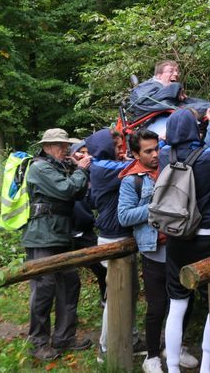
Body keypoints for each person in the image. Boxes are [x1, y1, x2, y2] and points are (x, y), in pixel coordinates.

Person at [159, 108, 210, 373]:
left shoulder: (163, 154)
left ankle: (172, 368)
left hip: (175, 240)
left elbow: (174, 145)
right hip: (206, 238)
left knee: (177, 305)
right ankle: (206, 367)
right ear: (196, 129)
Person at [118, 129, 198, 372]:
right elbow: (124, 216)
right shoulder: (132, 180)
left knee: (186, 300)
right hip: (154, 250)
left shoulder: (169, 167)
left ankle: (175, 347)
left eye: (157, 148)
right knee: (157, 306)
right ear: (134, 153)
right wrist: (156, 208)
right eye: (148, 151)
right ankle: (152, 356)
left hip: (179, 247)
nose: (155, 154)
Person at [22, 128, 92, 361]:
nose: (66, 149)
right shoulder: (40, 168)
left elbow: (80, 193)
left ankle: (64, 337)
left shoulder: (59, 167)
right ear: (46, 147)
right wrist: (80, 170)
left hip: (61, 235)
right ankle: (38, 342)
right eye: (61, 145)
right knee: (44, 289)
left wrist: (75, 168)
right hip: (42, 236)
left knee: (69, 284)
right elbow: (66, 190)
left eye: (66, 145)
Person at [85, 128, 141, 361]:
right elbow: (132, 167)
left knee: (130, 292)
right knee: (115, 296)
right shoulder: (101, 168)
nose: (123, 151)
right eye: (118, 148)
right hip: (112, 240)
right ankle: (106, 348)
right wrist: (141, 155)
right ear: (105, 148)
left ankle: (130, 336)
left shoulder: (103, 165)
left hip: (122, 237)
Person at [70, 141, 107, 306]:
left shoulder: (92, 174)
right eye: (81, 152)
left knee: (102, 268)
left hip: (86, 233)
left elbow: (94, 202)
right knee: (67, 277)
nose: (86, 156)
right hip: (66, 233)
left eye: (88, 153)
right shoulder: (63, 172)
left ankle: (105, 301)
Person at [128, 60, 210, 123]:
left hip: (176, 114)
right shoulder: (148, 86)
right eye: (171, 71)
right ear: (159, 76)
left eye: (177, 71)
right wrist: (175, 87)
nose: (176, 74)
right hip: (167, 119)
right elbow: (144, 101)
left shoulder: (168, 90)